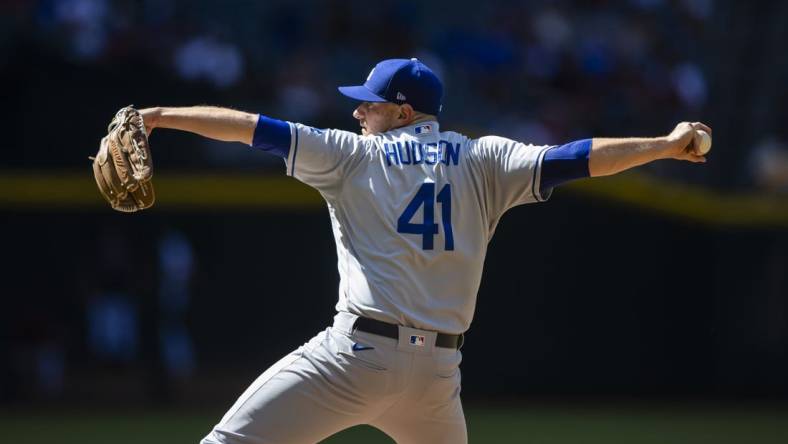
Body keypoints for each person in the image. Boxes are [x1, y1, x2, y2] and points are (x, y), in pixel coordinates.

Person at [139, 58, 710, 444]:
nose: (358, 112)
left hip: (354, 359)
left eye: (371, 104)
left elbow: (250, 128)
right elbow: (577, 157)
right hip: (437, 376)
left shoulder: (350, 155)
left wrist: (157, 117)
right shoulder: (485, 158)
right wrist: (663, 145)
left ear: (404, 112)